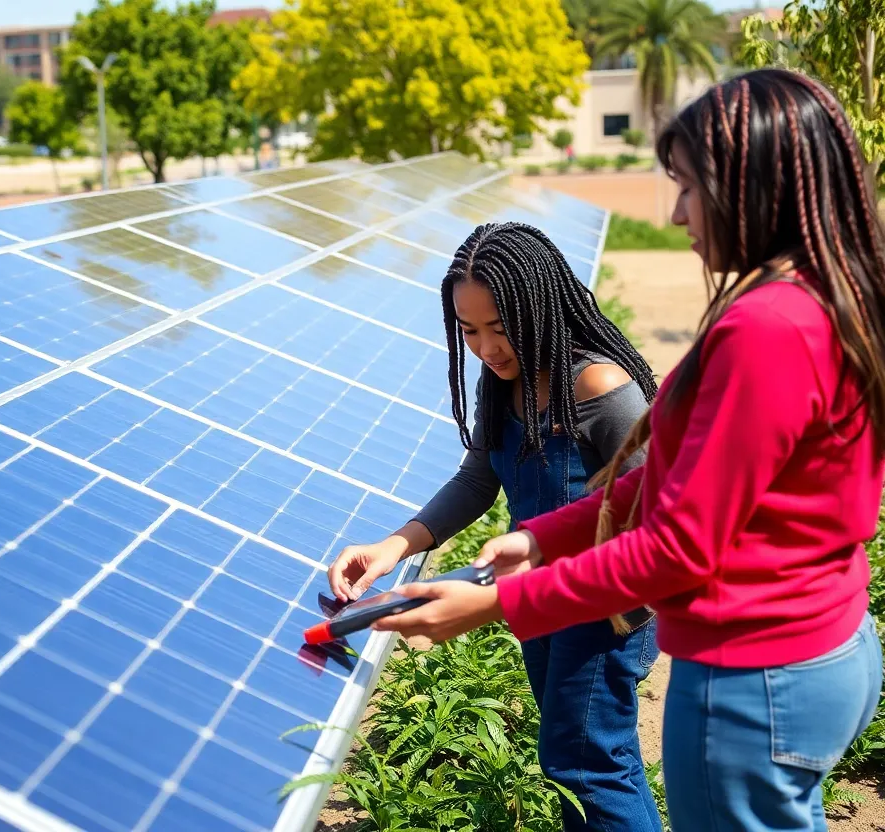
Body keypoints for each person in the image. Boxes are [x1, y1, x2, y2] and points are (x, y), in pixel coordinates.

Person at [370, 68, 885, 831]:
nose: (677, 212)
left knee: (593, 762)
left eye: (688, 186)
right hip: (814, 644)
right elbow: (663, 491)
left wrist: (496, 603)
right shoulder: (820, 301)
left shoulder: (768, 329)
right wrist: (536, 539)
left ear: (755, 186)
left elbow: (678, 543)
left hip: (755, 677)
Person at [328, 221, 663, 831]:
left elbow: (655, 515)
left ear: (541, 307)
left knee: (592, 763)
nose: (485, 348)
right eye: (470, 331)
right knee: (573, 756)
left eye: (500, 329)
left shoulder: (600, 388)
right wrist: (392, 546)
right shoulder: (503, 386)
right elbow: (479, 479)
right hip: (539, 598)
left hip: (606, 605)